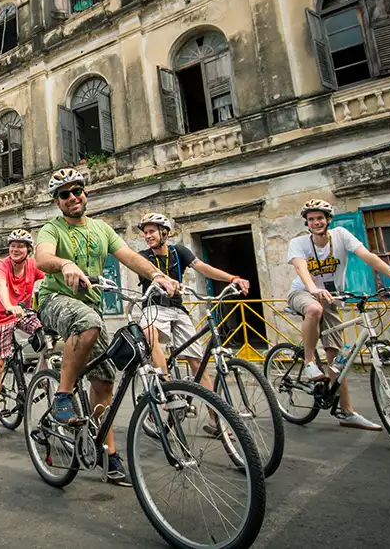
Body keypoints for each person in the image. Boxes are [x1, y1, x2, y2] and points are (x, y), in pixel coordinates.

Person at [35, 168, 181, 487]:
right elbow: (42, 258)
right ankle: (62, 395)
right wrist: (65, 263)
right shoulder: (52, 228)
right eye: (65, 194)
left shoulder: (101, 229)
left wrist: (158, 276)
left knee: (104, 383)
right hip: (55, 299)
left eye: (77, 191)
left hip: (91, 305)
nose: (73, 197)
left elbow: (128, 255)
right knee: (88, 324)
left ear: (85, 194)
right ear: (57, 202)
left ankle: (107, 454)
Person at [287, 198, 390, 431]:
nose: (316, 222)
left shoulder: (341, 235)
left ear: (328, 220)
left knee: (338, 360)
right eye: (311, 219)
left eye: (320, 218)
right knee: (314, 309)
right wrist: (313, 289)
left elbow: (368, 256)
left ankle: (347, 413)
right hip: (303, 293)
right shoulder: (299, 243)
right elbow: (300, 267)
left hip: (332, 297)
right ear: (307, 222)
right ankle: (308, 362)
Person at [135, 212, 251, 436]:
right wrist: (164, 281)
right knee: (149, 333)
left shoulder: (179, 252)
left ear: (164, 233)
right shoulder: (144, 256)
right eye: (145, 232)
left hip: (178, 309)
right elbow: (147, 272)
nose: (148, 236)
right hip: (154, 307)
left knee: (197, 363)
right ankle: (168, 389)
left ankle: (216, 420)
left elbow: (203, 268)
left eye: (152, 231)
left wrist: (232, 278)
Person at [0, 229, 44, 442]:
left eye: (20, 246)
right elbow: (0, 285)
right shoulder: (1, 265)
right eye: (12, 245)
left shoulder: (32, 265)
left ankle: (44, 374)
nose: (15, 249)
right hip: (0, 316)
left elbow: (51, 275)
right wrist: (9, 305)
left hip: (22, 313)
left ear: (28, 250)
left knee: (44, 335)